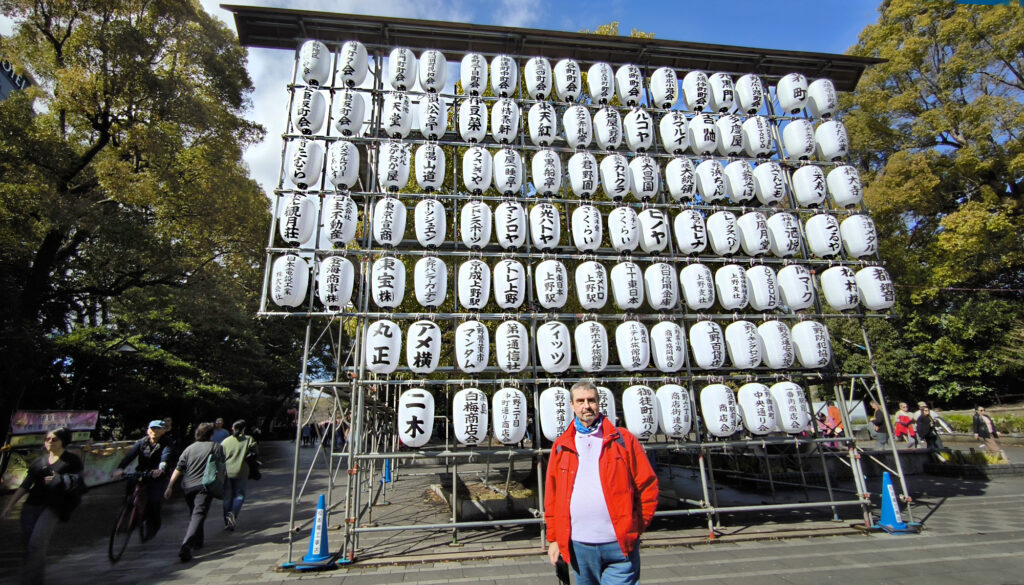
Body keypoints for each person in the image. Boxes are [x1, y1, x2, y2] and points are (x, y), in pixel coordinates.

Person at [545, 381, 659, 585]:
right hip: (579, 545)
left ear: (599, 402)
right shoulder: (562, 445)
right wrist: (554, 539)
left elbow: (647, 485)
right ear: (572, 405)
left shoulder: (622, 440)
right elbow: (552, 497)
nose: (586, 406)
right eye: (580, 401)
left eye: (591, 400)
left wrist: (636, 525)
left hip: (619, 545)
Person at [1, 427, 85, 585]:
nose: (50, 442)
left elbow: (79, 482)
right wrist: (10, 506)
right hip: (31, 507)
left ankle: (34, 581)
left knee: (37, 543)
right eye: (47, 439)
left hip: (53, 507)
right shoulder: (39, 462)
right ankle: (30, 576)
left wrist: (59, 479)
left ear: (63, 441)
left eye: (54, 439)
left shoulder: (71, 460)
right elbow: (25, 485)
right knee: (29, 546)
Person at [164, 422, 226, 562]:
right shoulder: (215, 446)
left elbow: (179, 468)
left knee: (195, 513)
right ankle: (186, 545)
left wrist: (170, 486)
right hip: (204, 485)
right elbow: (221, 466)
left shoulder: (189, 448)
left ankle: (198, 541)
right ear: (211, 435)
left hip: (187, 487)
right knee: (198, 514)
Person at [113, 419, 172, 539]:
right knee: (131, 488)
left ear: (163, 431)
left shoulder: (167, 443)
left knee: (154, 501)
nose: (154, 431)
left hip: (157, 475)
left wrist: (160, 469)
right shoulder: (142, 442)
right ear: (148, 430)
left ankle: (152, 526)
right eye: (152, 429)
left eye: (158, 429)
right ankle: (128, 512)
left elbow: (165, 457)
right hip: (142, 472)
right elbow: (130, 456)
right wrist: (120, 468)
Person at [220, 419, 257, 531]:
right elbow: (255, 453)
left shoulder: (225, 441)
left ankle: (227, 522)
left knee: (227, 497)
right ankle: (233, 514)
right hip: (242, 471)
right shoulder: (249, 439)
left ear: (232, 428)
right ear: (244, 429)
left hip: (227, 472)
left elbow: (220, 456)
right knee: (239, 495)